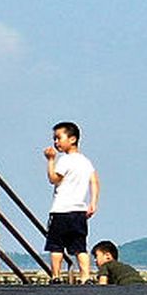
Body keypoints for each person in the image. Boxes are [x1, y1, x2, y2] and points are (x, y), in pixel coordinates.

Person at [43, 121, 100, 282]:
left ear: (72, 139)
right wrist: (93, 203)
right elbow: (94, 181)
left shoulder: (65, 160)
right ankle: (85, 276)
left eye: (58, 138)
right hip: (79, 211)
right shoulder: (86, 161)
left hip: (61, 210)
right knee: (80, 247)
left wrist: (50, 160)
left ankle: (56, 276)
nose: (56, 142)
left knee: (56, 246)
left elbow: (53, 179)